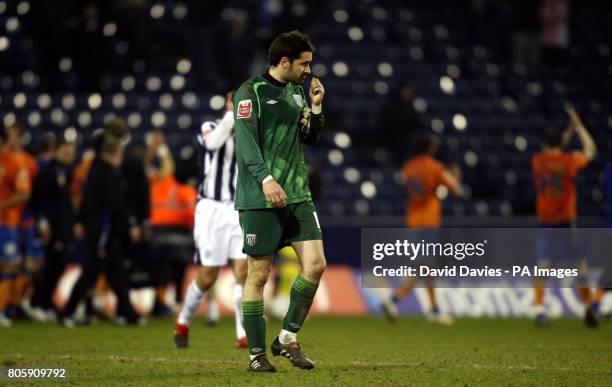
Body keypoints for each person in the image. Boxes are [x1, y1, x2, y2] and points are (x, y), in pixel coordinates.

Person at [233, 30, 326, 372]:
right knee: (258, 275)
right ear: (284, 61)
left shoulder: (298, 93)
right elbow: (245, 144)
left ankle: (286, 338)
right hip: (261, 197)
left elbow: (310, 137)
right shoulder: (250, 92)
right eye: (304, 64)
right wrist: (266, 180)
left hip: (298, 193)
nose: (309, 71)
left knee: (316, 265)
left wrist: (315, 106)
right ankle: (256, 354)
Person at [174, 90, 249, 349]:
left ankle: (243, 334)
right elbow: (212, 143)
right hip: (210, 210)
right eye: (235, 101)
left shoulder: (249, 134)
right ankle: (183, 321)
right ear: (228, 104)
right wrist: (232, 117)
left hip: (238, 209)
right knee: (207, 276)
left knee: (243, 271)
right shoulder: (210, 126)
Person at [59, 133, 142, 326]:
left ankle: (129, 314)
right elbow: (115, 203)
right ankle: (68, 312)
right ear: (116, 153)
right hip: (102, 231)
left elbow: (86, 201)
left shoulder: (96, 171)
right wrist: (129, 224)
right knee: (91, 272)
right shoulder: (109, 173)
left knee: (117, 273)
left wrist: (80, 221)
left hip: (102, 230)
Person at [381, 134, 461, 324]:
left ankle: (433, 310)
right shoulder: (434, 167)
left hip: (413, 221)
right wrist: (456, 175)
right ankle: (394, 300)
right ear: (430, 148)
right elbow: (455, 189)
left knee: (429, 269)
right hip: (428, 222)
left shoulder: (408, 167)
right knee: (424, 268)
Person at [532, 108, 596, 326]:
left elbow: (555, 151)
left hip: (545, 224)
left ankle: (539, 309)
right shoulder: (569, 161)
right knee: (579, 268)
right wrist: (579, 129)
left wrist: (566, 132)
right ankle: (589, 307)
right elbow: (590, 151)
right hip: (565, 223)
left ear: (544, 143)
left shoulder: (538, 161)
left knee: (542, 266)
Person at [29, 139, 77, 322]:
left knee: (58, 266)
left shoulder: (67, 172)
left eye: (71, 153)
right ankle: (37, 303)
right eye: (65, 152)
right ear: (56, 152)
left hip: (63, 227)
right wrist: (42, 222)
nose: (69, 156)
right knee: (52, 267)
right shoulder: (49, 172)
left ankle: (45, 302)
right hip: (53, 228)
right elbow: (39, 199)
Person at [0, 127, 31, 327]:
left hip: (8, 223)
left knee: (8, 265)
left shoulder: (15, 162)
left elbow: (23, 193)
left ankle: (2, 309)